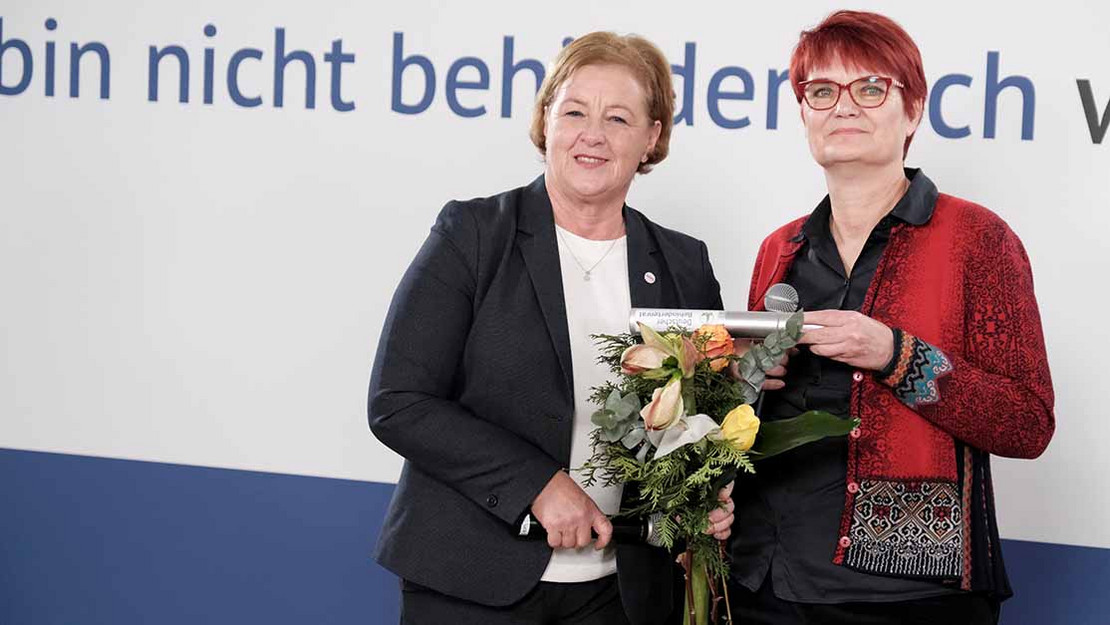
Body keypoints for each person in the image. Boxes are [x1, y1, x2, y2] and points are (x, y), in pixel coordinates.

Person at [369, 32, 735, 625]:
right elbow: (399, 401)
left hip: (621, 592)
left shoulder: (683, 266)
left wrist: (704, 499)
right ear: (546, 122)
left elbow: (702, 422)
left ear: (652, 137)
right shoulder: (474, 234)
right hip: (472, 581)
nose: (593, 134)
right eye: (574, 111)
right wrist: (537, 484)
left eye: (618, 117)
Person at [728, 10, 1055, 624]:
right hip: (766, 576)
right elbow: (749, 418)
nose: (843, 107)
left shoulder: (977, 238)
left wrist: (895, 354)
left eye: (870, 88)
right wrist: (748, 383)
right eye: (821, 91)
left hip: (909, 594)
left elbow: (1027, 422)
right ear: (803, 112)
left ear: (913, 109)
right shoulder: (781, 248)